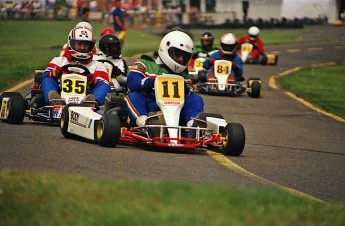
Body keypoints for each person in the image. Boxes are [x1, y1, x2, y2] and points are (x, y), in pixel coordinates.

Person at [124, 30, 204, 135]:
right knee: (133, 96)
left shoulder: (183, 73)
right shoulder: (146, 64)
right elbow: (132, 81)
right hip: (149, 106)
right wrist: (149, 82)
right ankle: (147, 124)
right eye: (178, 54)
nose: (180, 59)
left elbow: (189, 90)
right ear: (166, 49)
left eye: (184, 57)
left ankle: (193, 127)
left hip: (177, 111)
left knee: (195, 99)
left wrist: (184, 88)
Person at [41, 26, 111, 107]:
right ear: (71, 43)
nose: (82, 47)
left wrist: (91, 79)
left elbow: (102, 82)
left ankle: (92, 103)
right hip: (60, 93)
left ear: (91, 46)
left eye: (86, 45)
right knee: (47, 80)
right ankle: (55, 102)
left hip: (87, 95)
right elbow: (43, 77)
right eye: (79, 44)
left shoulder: (97, 65)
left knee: (105, 85)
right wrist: (54, 73)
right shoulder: (59, 61)